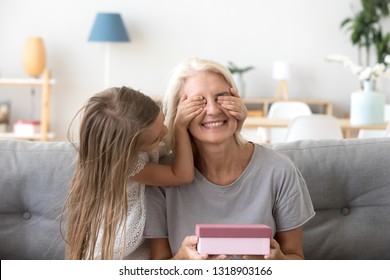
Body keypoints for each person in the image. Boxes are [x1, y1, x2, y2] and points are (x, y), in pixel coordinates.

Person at [144, 57, 316, 260]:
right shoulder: (161, 178)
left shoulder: (279, 170)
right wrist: (182, 260)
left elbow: (296, 258)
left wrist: (277, 261)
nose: (214, 110)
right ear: (178, 112)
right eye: (198, 102)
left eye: (222, 98)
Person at [64, 86, 207, 260]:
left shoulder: (139, 135)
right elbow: (182, 175)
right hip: (118, 251)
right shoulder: (126, 165)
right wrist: (180, 126)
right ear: (127, 149)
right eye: (156, 138)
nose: (166, 131)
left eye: (162, 120)